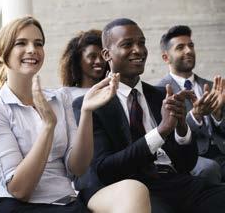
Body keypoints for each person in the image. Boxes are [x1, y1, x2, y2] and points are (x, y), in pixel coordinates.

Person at [0, 16, 150, 213]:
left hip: (65, 198)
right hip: (18, 205)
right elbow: (19, 190)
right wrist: (48, 127)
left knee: (134, 190)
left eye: (38, 43)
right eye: (21, 43)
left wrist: (87, 111)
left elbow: (78, 167)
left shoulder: (59, 99)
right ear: (1, 54)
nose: (32, 49)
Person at [85, 17, 225, 213]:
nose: (139, 50)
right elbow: (105, 169)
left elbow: (187, 164)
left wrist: (181, 129)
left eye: (141, 43)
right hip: (133, 190)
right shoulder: (93, 104)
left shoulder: (160, 94)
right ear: (107, 54)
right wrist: (160, 132)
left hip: (177, 183)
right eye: (127, 44)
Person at [157, 25, 225, 184]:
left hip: (221, 151)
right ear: (166, 57)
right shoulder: (161, 91)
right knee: (210, 168)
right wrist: (195, 115)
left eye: (191, 45)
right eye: (180, 47)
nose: (188, 50)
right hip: (190, 155)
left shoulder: (212, 86)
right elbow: (167, 137)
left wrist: (218, 114)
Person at [59, 30, 108, 101]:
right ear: (78, 60)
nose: (99, 61)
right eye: (92, 56)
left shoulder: (112, 92)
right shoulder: (65, 95)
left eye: (102, 56)